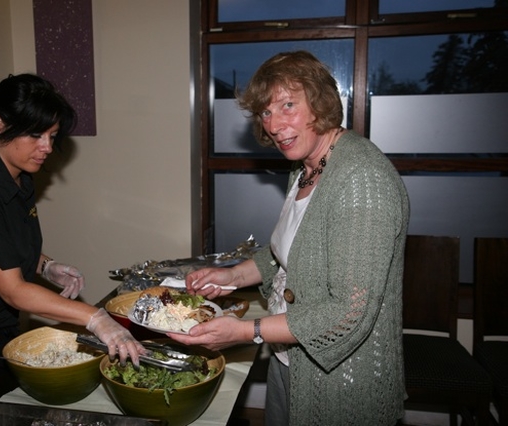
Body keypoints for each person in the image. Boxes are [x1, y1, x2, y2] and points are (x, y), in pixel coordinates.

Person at [170, 51, 409, 425]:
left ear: (320, 103)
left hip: (341, 379)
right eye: (266, 112)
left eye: (287, 105)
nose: (275, 124)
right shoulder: (304, 168)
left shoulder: (362, 178)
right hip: (290, 355)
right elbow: (292, 253)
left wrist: (246, 332)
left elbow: (349, 312)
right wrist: (230, 276)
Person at [0, 72, 144, 422]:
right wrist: (96, 319)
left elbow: (2, 247)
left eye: (51, 136)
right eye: (36, 134)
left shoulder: (18, 179)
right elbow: (14, 292)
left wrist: (45, 265)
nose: (47, 147)